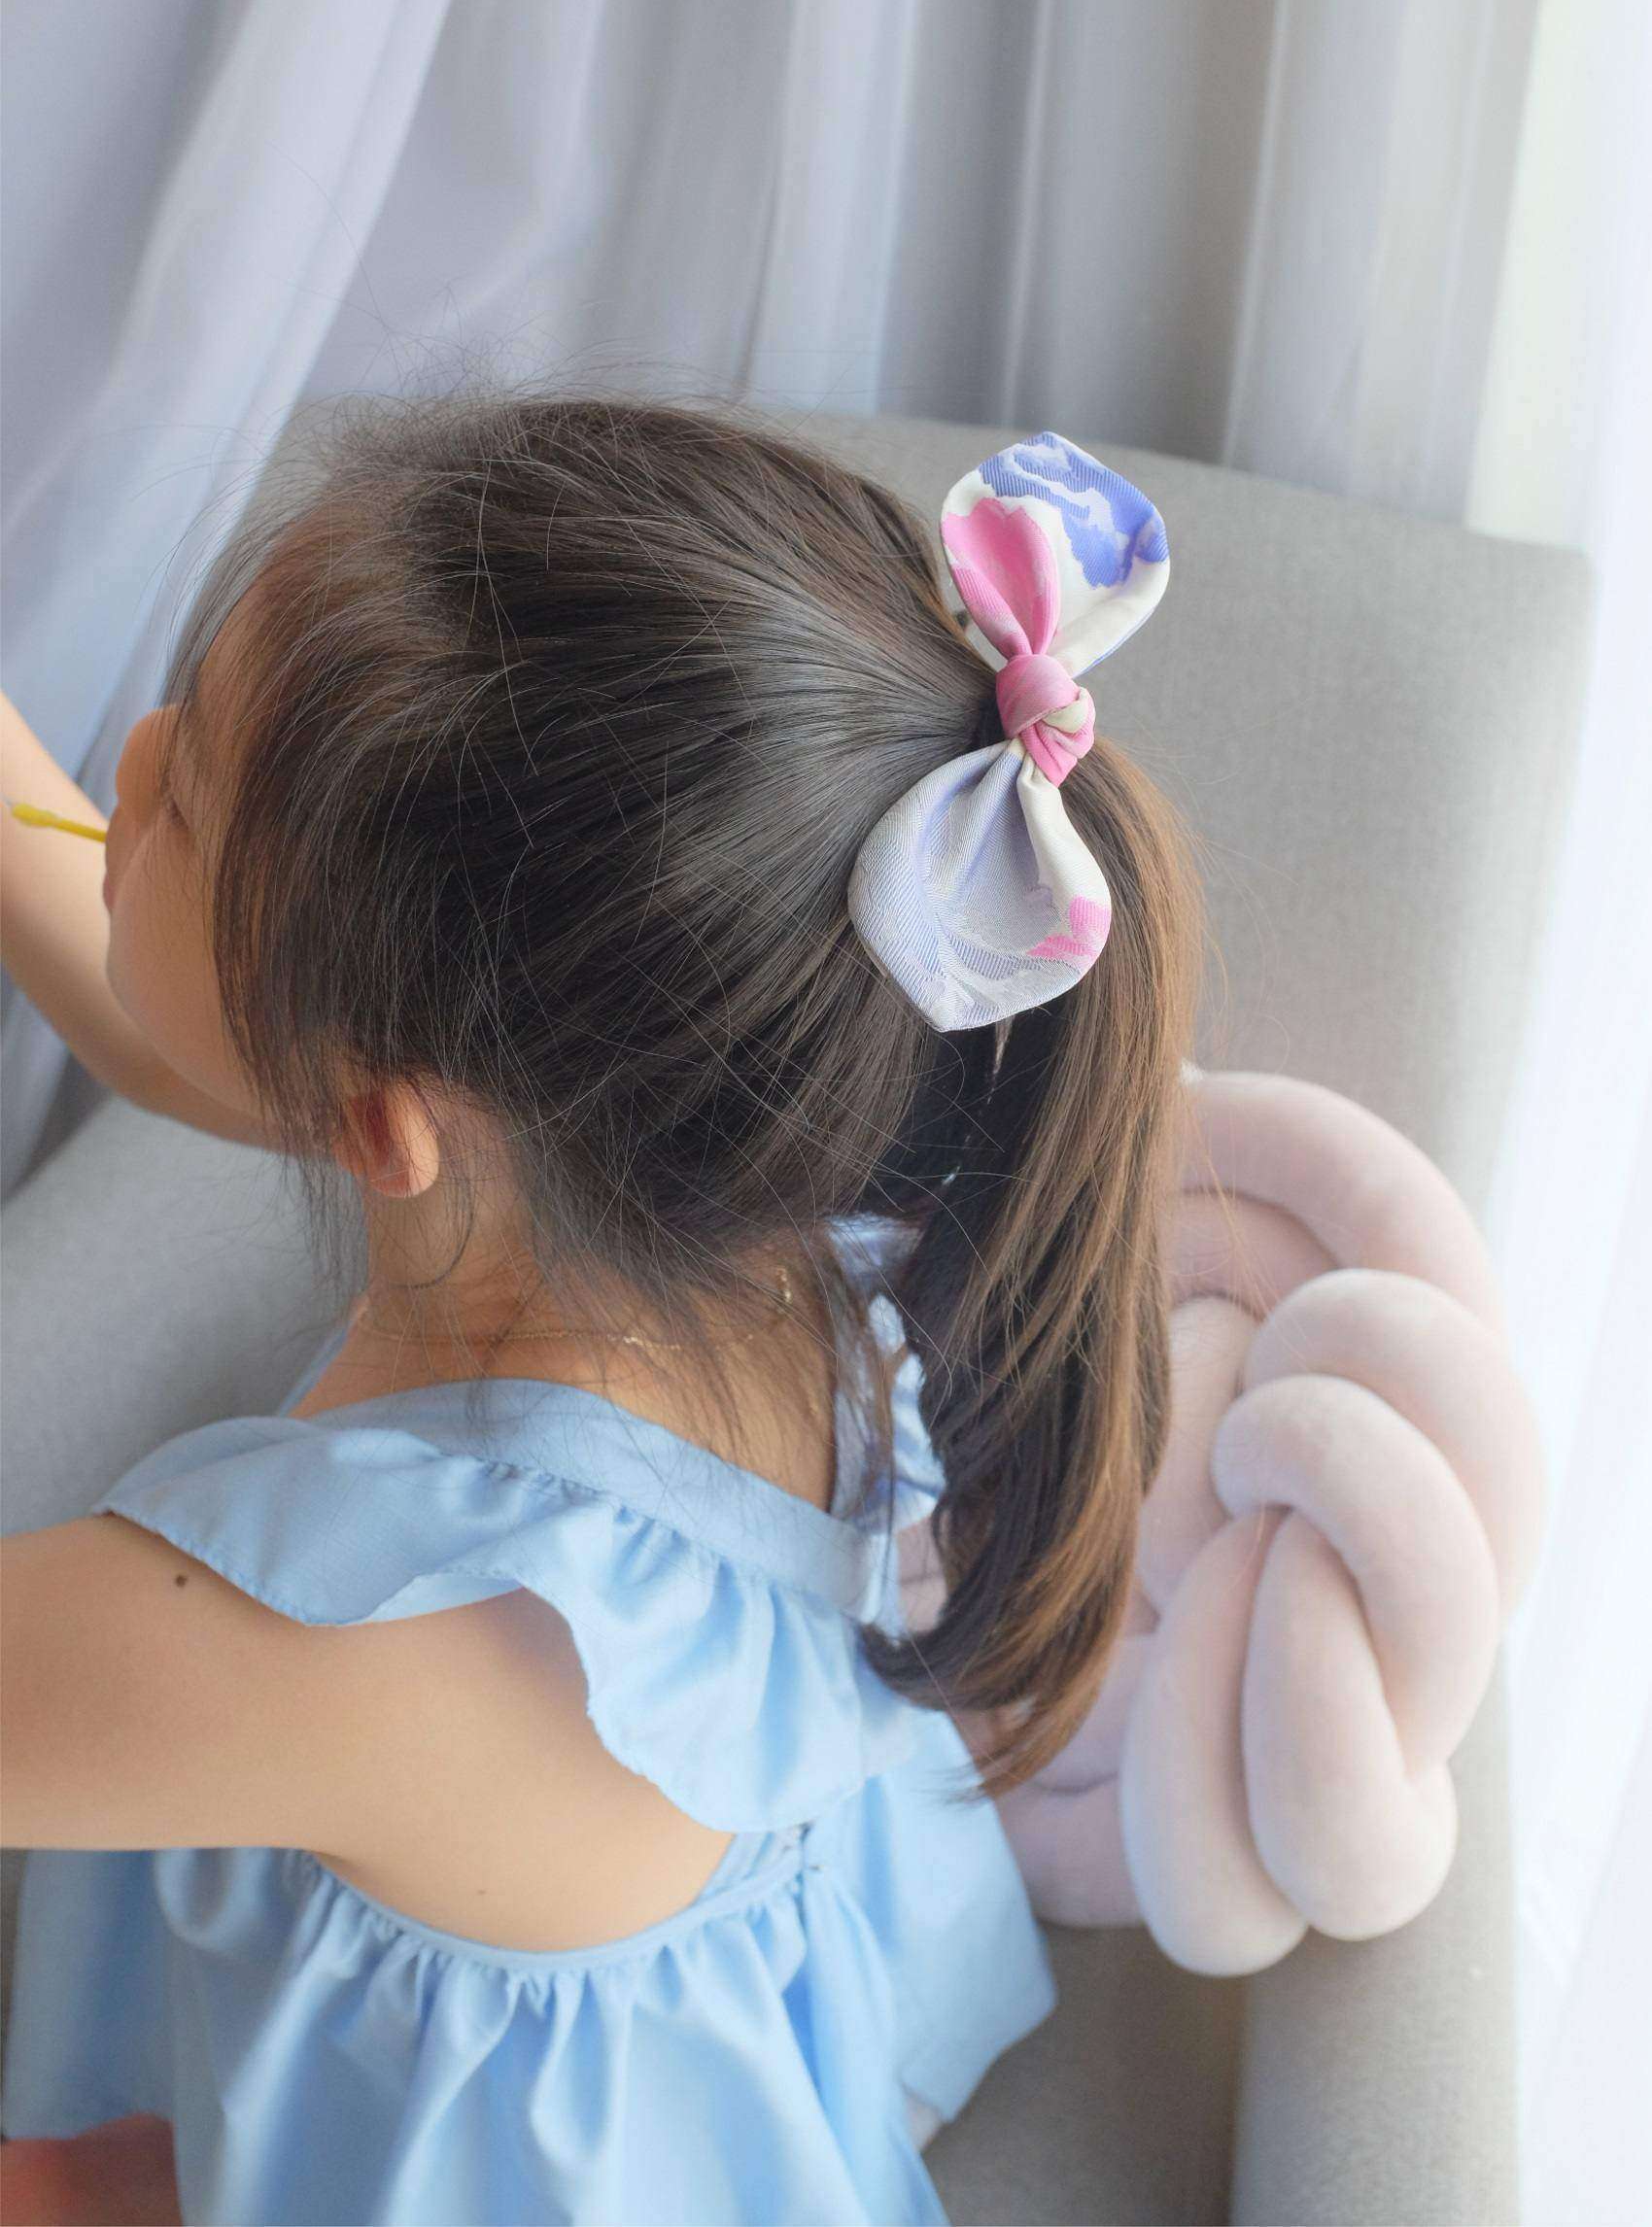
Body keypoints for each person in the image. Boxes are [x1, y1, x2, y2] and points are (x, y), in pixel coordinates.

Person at [0, 390, 1202, 2225]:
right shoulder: (753, 1206)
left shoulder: (361, 1641)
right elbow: (168, 1013)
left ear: (382, 1120)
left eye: (188, 792)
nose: (134, 755)